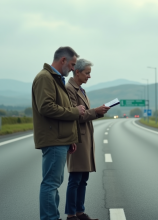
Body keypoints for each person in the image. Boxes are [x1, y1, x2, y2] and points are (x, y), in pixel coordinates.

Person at [32, 46, 86, 220]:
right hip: (53, 139)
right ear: (63, 60)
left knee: (54, 184)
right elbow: (46, 107)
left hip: (59, 139)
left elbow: (59, 108)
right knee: (50, 184)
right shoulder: (45, 78)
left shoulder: (55, 78)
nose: (72, 69)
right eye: (72, 64)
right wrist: (75, 111)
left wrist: (69, 138)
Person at [65, 59, 110, 220]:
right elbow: (74, 115)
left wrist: (98, 112)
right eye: (87, 73)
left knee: (83, 178)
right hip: (76, 139)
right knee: (75, 178)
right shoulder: (69, 89)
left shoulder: (81, 90)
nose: (89, 76)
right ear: (77, 72)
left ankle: (80, 213)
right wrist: (95, 111)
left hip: (85, 139)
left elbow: (84, 113)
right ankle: (71, 215)